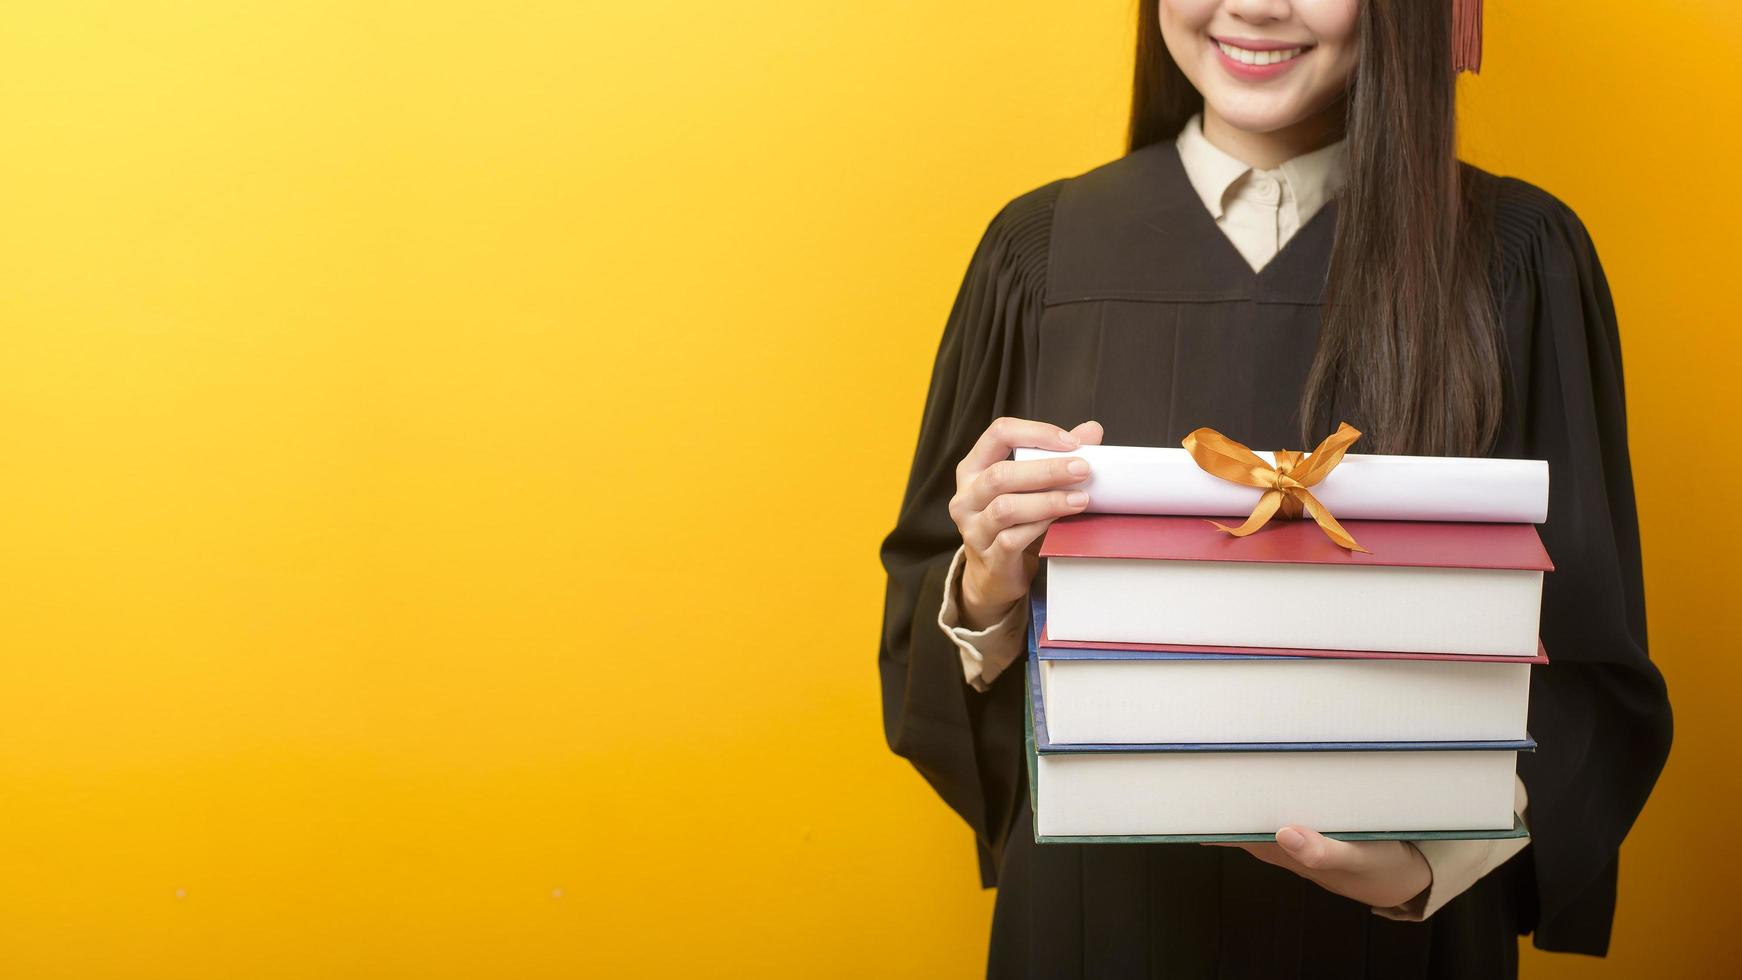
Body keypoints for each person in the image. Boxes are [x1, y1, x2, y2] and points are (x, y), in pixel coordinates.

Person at [876, 1, 1674, 977]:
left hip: (1402, 950)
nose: (1252, 5)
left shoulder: (1513, 259)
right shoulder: (1037, 255)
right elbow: (923, 640)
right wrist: (983, 585)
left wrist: (1422, 864)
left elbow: (1591, 658)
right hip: (1097, 932)